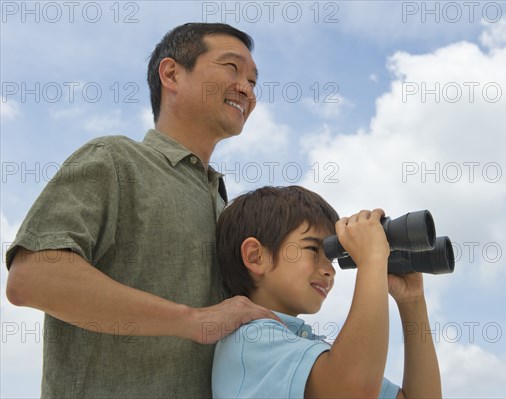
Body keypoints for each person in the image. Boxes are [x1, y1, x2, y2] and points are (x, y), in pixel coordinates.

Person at [5, 23, 280, 398]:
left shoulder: (224, 206)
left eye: (253, 80)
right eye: (231, 68)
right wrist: (194, 321)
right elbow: (33, 277)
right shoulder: (115, 160)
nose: (246, 88)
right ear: (171, 74)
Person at [212, 185, 442, 398]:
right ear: (256, 256)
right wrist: (372, 260)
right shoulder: (249, 340)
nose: (329, 270)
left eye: (331, 256)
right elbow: (355, 390)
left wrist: (412, 302)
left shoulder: (307, 348)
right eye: (313, 248)